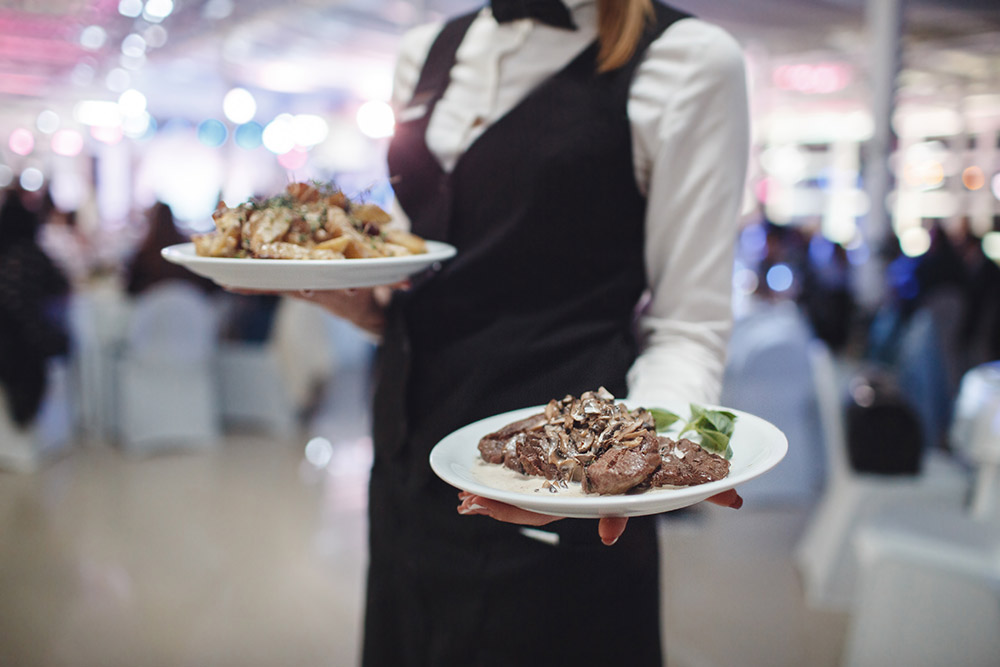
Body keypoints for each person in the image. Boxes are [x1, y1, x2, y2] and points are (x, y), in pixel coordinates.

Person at [259, 1, 749, 664]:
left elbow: (688, 324)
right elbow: (420, 268)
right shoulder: (427, 52)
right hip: (407, 475)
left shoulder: (686, 60)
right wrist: (358, 302)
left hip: (555, 490)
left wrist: (628, 472)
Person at [0, 187, 71, 427]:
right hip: (26, 340)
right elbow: (62, 285)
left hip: (9, 340)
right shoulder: (32, 254)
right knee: (70, 339)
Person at [124, 201, 217, 296]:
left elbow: (130, 290)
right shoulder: (186, 253)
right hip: (194, 306)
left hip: (154, 308)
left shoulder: (143, 255)